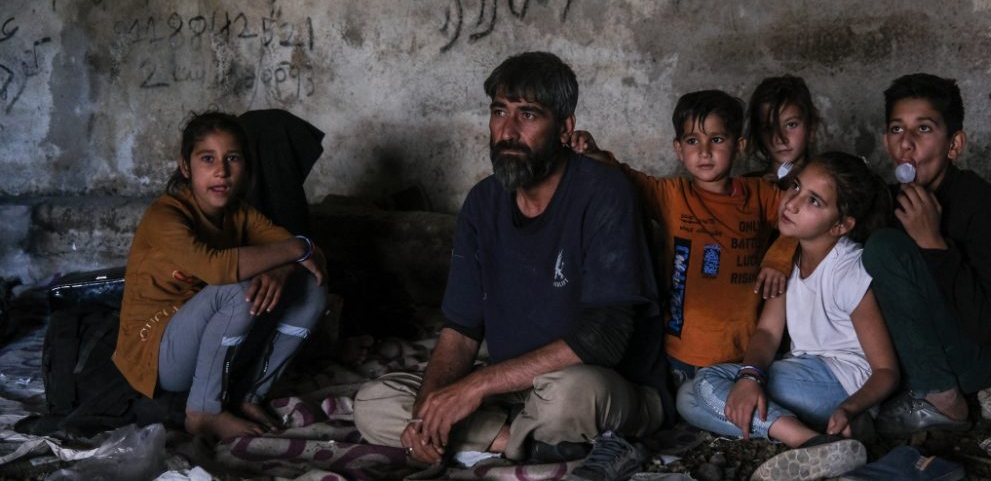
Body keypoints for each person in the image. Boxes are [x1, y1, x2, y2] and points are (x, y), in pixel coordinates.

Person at [352, 52, 671, 481]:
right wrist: (427, 415)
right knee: (374, 402)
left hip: (606, 387)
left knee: (573, 393)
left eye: (529, 115)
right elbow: (461, 331)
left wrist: (475, 387)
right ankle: (532, 445)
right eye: (499, 111)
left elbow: (606, 338)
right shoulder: (482, 203)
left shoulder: (604, 193)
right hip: (515, 391)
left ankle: (503, 440)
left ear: (565, 129)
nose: (508, 130)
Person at [676, 152, 898, 480]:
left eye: (813, 200)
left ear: (841, 225)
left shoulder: (848, 270)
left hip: (842, 385)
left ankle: (806, 440)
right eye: (795, 186)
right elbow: (767, 333)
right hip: (804, 374)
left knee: (709, 382)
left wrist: (851, 407)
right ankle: (816, 438)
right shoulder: (787, 259)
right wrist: (750, 377)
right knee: (687, 399)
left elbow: (885, 370)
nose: (791, 203)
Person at [112, 111, 328, 441]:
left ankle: (249, 395)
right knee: (235, 288)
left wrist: (285, 266)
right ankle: (202, 412)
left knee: (311, 287)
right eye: (207, 158)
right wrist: (298, 249)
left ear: (245, 166)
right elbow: (217, 267)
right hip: (159, 350)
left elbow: (308, 255)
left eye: (233, 158)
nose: (221, 171)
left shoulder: (239, 214)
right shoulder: (165, 214)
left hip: (210, 337)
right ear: (186, 167)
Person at [571, 90, 796, 384]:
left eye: (716, 140)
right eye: (693, 141)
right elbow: (624, 177)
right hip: (681, 351)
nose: (704, 151)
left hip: (744, 350)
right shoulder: (673, 195)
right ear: (678, 149)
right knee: (689, 407)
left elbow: (802, 220)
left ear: (738, 145)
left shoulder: (760, 195)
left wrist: (778, 259)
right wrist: (593, 152)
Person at [862, 73, 991, 435]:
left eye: (923, 129)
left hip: (981, 357)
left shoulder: (989, 207)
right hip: (918, 345)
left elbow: (987, 326)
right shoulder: (886, 202)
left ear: (954, 145)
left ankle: (942, 401)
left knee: (884, 248)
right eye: (896, 129)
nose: (906, 144)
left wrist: (934, 244)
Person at [745, 75, 820, 184]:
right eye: (769, 128)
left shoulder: (826, 188)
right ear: (759, 134)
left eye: (791, 124)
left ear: (811, 128)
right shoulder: (747, 187)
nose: (780, 138)